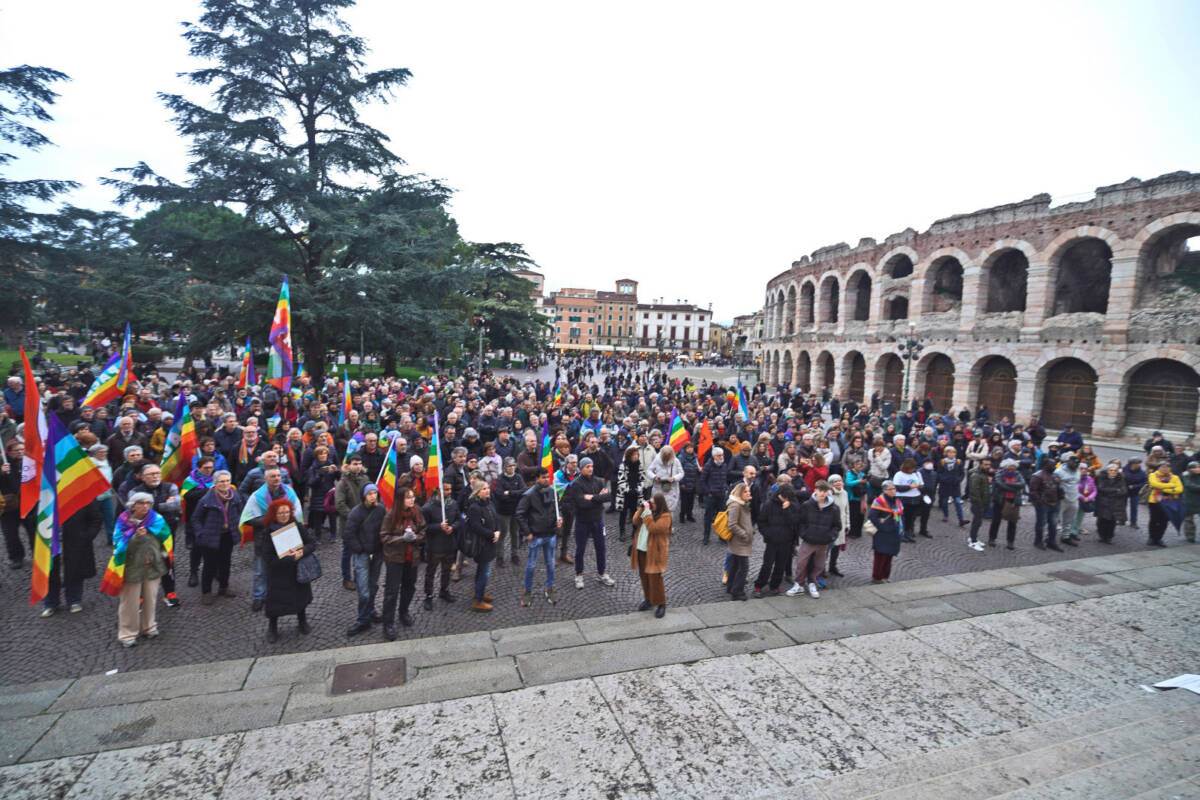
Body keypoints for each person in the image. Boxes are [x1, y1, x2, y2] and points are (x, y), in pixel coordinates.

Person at [109, 493, 171, 647]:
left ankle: (149, 626)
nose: (145, 506)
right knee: (130, 602)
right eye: (141, 503)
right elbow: (118, 544)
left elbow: (166, 538)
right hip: (131, 567)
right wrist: (135, 537)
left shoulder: (156, 520)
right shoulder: (124, 521)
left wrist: (162, 556)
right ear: (133, 505)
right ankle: (128, 634)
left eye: (148, 503)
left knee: (151, 599)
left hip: (152, 566)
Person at [253, 498, 315, 642]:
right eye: (281, 513)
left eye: (287, 512)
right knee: (275, 602)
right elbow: (267, 556)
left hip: (296, 571)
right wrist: (288, 559)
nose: (284, 515)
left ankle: (302, 621)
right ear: (275, 514)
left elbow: (311, 543)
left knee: (300, 598)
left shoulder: (297, 526)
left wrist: (302, 552)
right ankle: (272, 628)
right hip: (278, 573)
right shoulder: (268, 531)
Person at [41, 495, 102, 617]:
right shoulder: (46, 494)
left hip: (76, 540)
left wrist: (86, 536)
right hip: (49, 541)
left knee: (75, 568)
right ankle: (50, 603)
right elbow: (33, 515)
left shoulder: (82, 493)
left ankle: (74, 599)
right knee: (50, 571)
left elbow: (96, 518)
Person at [191, 470, 245, 603]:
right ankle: (206, 592)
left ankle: (224, 587)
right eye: (222, 481)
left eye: (227, 481)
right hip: (210, 536)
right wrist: (200, 534)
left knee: (226, 563)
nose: (225, 484)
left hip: (228, 535)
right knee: (210, 565)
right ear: (215, 483)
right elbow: (195, 519)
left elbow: (240, 512)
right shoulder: (206, 499)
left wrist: (237, 527)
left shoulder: (235, 496)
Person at [378, 488, 425, 638]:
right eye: (408, 498)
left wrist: (416, 537)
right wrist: (402, 538)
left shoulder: (417, 512)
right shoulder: (391, 515)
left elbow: (423, 530)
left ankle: (403, 611)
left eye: (413, 497)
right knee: (391, 591)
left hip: (412, 558)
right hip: (395, 558)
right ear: (400, 500)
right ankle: (388, 623)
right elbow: (384, 537)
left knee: (409, 586)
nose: (412, 500)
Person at [787, 480, 841, 599]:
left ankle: (812, 583)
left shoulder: (834, 508)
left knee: (819, 565)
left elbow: (837, 526)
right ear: (815, 490)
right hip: (809, 540)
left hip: (823, 542)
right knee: (801, 562)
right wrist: (805, 534)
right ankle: (799, 584)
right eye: (820, 490)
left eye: (825, 491)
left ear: (828, 492)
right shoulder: (807, 505)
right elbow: (801, 522)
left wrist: (830, 537)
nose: (822, 493)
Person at [565, 456, 613, 589]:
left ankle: (602, 573)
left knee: (601, 548)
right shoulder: (576, 484)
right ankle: (579, 574)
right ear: (581, 468)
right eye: (587, 467)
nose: (590, 469)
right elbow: (581, 504)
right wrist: (598, 498)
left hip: (598, 520)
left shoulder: (600, 481)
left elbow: (608, 497)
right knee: (580, 549)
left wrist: (591, 497)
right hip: (583, 521)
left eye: (591, 466)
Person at [343, 483, 385, 636]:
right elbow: (348, 534)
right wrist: (359, 548)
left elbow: (384, 528)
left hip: (377, 553)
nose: (373, 496)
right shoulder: (356, 512)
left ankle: (370, 611)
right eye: (370, 493)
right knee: (364, 590)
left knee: (373, 586)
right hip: (362, 555)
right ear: (364, 496)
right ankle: (362, 619)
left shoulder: (381, 509)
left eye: (375, 493)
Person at [516, 467, 562, 606]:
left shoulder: (552, 492)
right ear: (537, 479)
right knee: (531, 565)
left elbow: (556, 509)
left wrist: (559, 519)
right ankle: (527, 591)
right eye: (543, 477)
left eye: (547, 477)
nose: (546, 479)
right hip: (536, 536)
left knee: (551, 564)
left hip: (550, 534)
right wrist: (527, 532)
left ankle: (550, 588)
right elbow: (520, 514)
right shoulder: (529, 495)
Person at [630, 492, 672, 618]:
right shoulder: (647, 512)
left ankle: (661, 603)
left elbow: (654, 528)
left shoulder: (666, 516)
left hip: (655, 552)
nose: (651, 504)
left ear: (659, 504)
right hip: (641, 549)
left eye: (653, 503)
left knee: (655, 579)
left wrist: (647, 514)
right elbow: (635, 521)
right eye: (650, 502)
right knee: (644, 577)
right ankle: (649, 599)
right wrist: (642, 509)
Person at [421, 478, 461, 609]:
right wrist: (439, 526)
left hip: (449, 544)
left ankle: (444, 591)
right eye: (446, 489)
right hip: (434, 546)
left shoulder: (453, 504)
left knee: (446, 571)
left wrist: (453, 527)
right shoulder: (428, 508)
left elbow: (459, 520)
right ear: (438, 490)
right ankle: (428, 595)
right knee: (431, 572)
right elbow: (423, 528)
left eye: (450, 489)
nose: (449, 492)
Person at [754, 483, 799, 597]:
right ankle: (759, 586)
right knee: (767, 565)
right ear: (780, 495)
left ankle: (774, 586)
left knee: (781, 565)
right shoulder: (769, 504)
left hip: (787, 541)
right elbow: (762, 522)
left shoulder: (792, 504)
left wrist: (787, 509)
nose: (788, 499)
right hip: (772, 541)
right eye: (786, 497)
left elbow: (795, 521)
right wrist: (768, 534)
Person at [334, 454, 370, 590]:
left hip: (364, 523)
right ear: (348, 465)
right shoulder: (343, 482)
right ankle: (346, 578)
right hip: (349, 524)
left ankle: (358, 576)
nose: (358, 466)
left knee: (360, 551)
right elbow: (340, 504)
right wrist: (354, 517)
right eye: (355, 464)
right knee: (347, 552)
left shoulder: (365, 479)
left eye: (360, 463)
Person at [462, 482, 501, 612]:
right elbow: (476, 527)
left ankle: (480, 592)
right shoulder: (474, 507)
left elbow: (496, 518)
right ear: (477, 492)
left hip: (490, 542)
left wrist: (498, 531)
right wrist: (492, 534)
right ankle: (478, 600)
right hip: (482, 544)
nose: (487, 490)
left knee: (483, 571)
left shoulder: (489, 503)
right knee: (484, 572)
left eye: (488, 488)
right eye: (484, 489)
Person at [868, 481, 904, 583]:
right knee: (881, 556)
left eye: (894, 489)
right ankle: (877, 577)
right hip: (882, 533)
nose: (893, 491)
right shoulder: (879, 501)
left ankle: (885, 576)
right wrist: (883, 527)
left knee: (889, 555)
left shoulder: (897, 501)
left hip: (894, 532)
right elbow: (872, 517)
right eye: (890, 489)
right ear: (884, 490)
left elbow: (901, 515)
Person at [724, 482, 754, 601]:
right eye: (745, 491)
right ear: (740, 493)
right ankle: (737, 591)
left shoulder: (742, 504)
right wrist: (744, 534)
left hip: (741, 541)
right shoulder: (736, 505)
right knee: (743, 568)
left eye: (749, 491)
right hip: (739, 542)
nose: (748, 493)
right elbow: (732, 524)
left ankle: (731, 587)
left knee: (735, 566)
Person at [493, 457, 525, 566]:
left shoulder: (518, 477)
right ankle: (500, 556)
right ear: (504, 467)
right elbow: (500, 495)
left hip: (516, 511)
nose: (512, 468)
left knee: (515, 533)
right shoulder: (499, 479)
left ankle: (514, 554)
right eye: (509, 466)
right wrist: (515, 494)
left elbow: (523, 491)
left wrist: (510, 493)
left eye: (513, 466)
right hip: (503, 511)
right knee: (502, 534)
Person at [988, 459, 1026, 550]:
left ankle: (1010, 541)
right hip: (1000, 500)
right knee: (996, 521)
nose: (1011, 470)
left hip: (1013, 501)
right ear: (1005, 467)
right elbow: (1000, 484)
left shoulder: (1018, 474)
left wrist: (1008, 485)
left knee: (1012, 522)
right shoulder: (999, 474)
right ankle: (992, 538)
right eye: (1009, 468)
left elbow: (1022, 484)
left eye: (1013, 469)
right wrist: (1014, 488)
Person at [1028, 459, 1063, 552]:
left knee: (1053, 523)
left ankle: (1051, 541)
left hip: (1055, 503)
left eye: (1055, 465)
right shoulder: (1037, 476)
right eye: (1052, 465)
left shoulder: (1055, 475)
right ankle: (1038, 541)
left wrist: (1060, 496)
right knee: (1041, 523)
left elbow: (1058, 488)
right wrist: (1040, 501)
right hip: (1043, 504)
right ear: (1045, 465)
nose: (1054, 467)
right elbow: (1033, 491)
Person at [1147, 463, 1184, 547]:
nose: (1165, 468)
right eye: (1163, 467)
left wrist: (1164, 489)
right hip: (1154, 501)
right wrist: (1171, 485)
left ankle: (1159, 538)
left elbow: (1179, 489)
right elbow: (1154, 484)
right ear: (1159, 467)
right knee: (1154, 520)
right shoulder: (1153, 475)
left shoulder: (1175, 477)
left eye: (1167, 467)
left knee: (1164, 521)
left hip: (1169, 502)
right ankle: (1151, 538)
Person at [699, 446, 729, 545]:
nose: (721, 457)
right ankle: (706, 537)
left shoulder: (724, 465)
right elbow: (702, 480)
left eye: (722, 455)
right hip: (711, 496)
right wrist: (708, 492)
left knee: (722, 517)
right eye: (719, 455)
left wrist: (725, 488)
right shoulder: (708, 466)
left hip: (721, 495)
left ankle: (721, 536)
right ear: (714, 456)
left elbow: (725, 478)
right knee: (708, 517)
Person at [615, 445, 645, 541]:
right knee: (623, 514)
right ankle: (622, 532)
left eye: (637, 454)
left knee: (635, 514)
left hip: (636, 494)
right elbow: (620, 480)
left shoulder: (639, 465)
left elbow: (642, 479)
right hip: (625, 495)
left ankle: (634, 531)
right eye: (634, 455)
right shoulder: (623, 466)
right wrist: (628, 489)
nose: (636, 456)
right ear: (629, 456)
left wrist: (638, 488)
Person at [1094, 461, 1127, 544]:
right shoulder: (1102, 477)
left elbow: (1124, 491)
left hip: (1115, 504)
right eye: (1111, 470)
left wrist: (1110, 491)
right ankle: (1102, 536)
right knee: (1101, 521)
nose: (1113, 472)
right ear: (1108, 471)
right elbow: (1101, 489)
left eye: (1115, 470)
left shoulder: (1121, 478)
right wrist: (1115, 490)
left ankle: (1109, 537)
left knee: (1112, 521)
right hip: (1103, 503)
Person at [892, 458, 923, 543]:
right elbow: (897, 488)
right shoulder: (899, 474)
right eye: (911, 468)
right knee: (901, 518)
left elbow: (921, 484)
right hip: (902, 498)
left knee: (911, 517)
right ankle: (901, 534)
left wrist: (919, 486)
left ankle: (908, 533)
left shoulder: (915, 474)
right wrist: (910, 487)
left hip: (914, 498)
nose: (912, 470)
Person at [646, 445, 684, 517]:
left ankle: (668, 526)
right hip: (658, 489)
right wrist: (654, 477)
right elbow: (649, 471)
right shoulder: (657, 460)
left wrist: (674, 478)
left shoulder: (676, 461)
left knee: (669, 511)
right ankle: (658, 526)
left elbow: (681, 473)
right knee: (657, 509)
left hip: (672, 489)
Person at [935, 447, 967, 527]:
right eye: (949, 452)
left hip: (955, 485)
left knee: (957, 502)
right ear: (946, 453)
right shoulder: (942, 462)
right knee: (944, 502)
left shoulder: (959, 462)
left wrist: (959, 479)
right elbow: (938, 473)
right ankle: (945, 515)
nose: (951, 454)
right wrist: (943, 479)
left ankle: (961, 519)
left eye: (953, 452)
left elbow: (962, 473)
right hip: (945, 485)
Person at [826, 473, 850, 577]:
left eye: (839, 480)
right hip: (830, 526)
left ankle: (833, 567)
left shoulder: (845, 493)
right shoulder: (828, 494)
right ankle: (821, 568)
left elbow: (847, 510)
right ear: (831, 484)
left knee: (836, 548)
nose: (838, 483)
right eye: (835, 481)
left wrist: (847, 524)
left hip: (841, 525)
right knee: (826, 548)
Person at [1055, 455, 1083, 544]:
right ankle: (1049, 537)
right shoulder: (1059, 472)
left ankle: (1065, 537)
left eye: (1077, 464)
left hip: (1074, 499)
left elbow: (1077, 483)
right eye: (1074, 463)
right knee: (1055, 519)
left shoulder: (1078, 471)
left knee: (1070, 519)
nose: (1076, 465)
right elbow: (1055, 485)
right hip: (1061, 499)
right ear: (1068, 462)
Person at [1123, 457, 1148, 530]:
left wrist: (1134, 486)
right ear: (1131, 464)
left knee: (1134, 508)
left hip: (1135, 492)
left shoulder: (1142, 473)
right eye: (1136, 463)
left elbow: (1144, 482)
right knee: (1122, 505)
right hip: (1125, 490)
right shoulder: (1124, 469)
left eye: (1138, 463)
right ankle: (1122, 520)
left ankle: (1133, 522)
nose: (1138, 465)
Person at [677, 441, 699, 522]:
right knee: (684, 501)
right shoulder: (681, 457)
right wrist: (681, 483)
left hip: (693, 482)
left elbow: (697, 467)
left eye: (691, 448)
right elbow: (679, 471)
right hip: (685, 482)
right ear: (685, 449)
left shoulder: (695, 457)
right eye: (688, 448)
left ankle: (689, 515)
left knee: (691, 501)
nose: (690, 449)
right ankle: (682, 515)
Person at [1183, 461, 1200, 544]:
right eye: (1196, 467)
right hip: (1189, 500)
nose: (1198, 469)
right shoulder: (1185, 475)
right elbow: (1189, 486)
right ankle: (1190, 536)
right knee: (1189, 520)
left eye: (1199, 467)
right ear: (1191, 469)